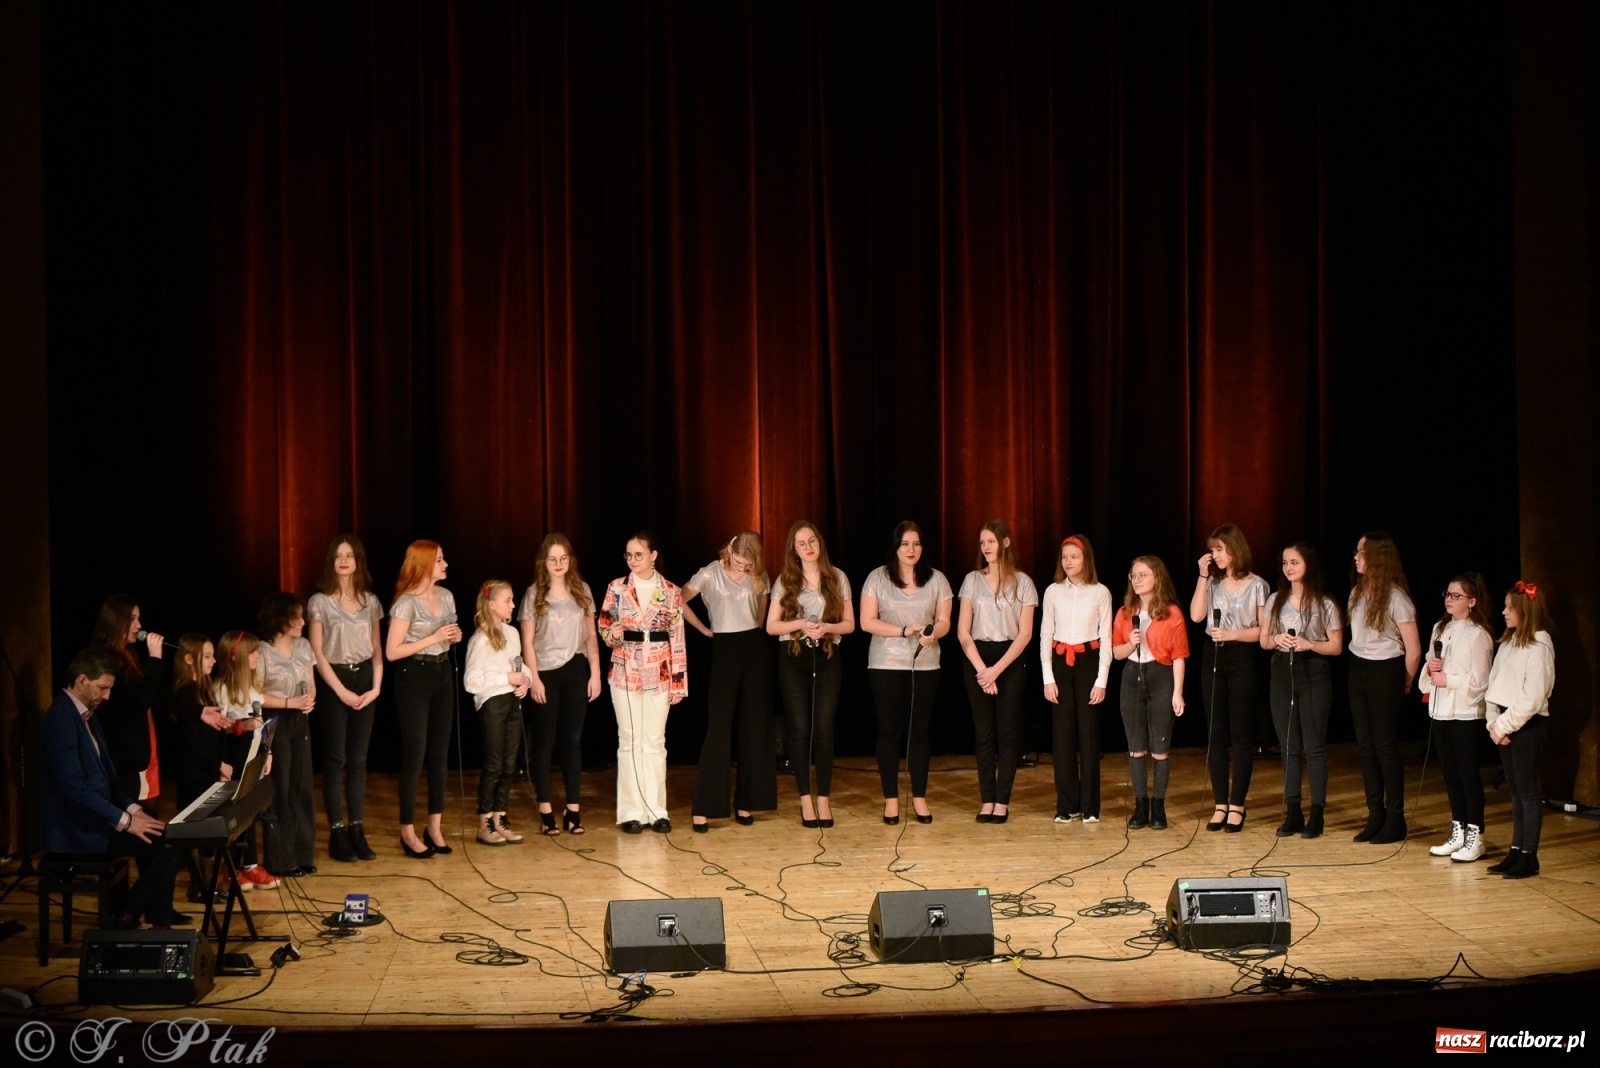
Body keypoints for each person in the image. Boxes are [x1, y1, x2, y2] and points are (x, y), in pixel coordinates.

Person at [40, 648, 186, 928]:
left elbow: (108, 780)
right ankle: (135, 916)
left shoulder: (88, 714)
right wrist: (125, 821)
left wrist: (134, 809)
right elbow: (74, 789)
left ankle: (145, 919)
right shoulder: (60, 719)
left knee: (173, 838)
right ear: (82, 680)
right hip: (77, 829)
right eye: (102, 688)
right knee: (168, 846)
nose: (107, 696)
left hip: (98, 819)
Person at [681, 532, 777, 831]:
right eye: (739, 561)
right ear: (730, 551)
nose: (743, 568)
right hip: (724, 647)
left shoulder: (759, 574)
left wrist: (755, 631)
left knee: (754, 725)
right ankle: (706, 806)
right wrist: (703, 629)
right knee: (719, 726)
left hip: (753, 647)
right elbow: (677, 600)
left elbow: (762, 607)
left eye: (748, 564)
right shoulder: (710, 573)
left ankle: (747, 801)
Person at [859, 521, 952, 825]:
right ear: (895, 547)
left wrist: (933, 632)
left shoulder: (937, 579)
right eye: (905, 544)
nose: (911, 550)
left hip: (925, 664)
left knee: (919, 733)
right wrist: (902, 630)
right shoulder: (877, 577)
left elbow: (944, 621)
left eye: (916, 544)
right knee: (889, 732)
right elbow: (867, 622)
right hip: (885, 664)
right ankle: (891, 799)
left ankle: (920, 798)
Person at [767, 521, 855, 828]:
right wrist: (801, 624)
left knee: (824, 728)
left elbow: (850, 624)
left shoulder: (837, 577)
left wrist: (827, 627)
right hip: (793, 656)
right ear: (794, 549)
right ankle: (805, 799)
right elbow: (772, 626)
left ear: (820, 543)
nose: (808, 547)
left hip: (827, 653)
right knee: (800, 727)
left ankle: (824, 800)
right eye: (801, 543)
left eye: (812, 541)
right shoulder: (785, 580)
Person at [598, 532, 687, 834]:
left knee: (654, 741)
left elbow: (677, 636)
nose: (633, 560)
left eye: (639, 554)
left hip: (659, 669)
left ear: (653, 555)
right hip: (625, 667)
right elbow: (604, 625)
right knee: (629, 739)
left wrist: (679, 682)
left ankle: (656, 810)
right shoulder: (617, 587)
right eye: (629, 555)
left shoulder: (671, 591)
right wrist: (612, 634)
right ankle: (631, 812)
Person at [517, 533, 601, 835]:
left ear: (570, 560)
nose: (558, 564)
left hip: (575, 669)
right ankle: (545, 810)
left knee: (572, 740)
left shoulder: (582, 590)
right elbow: (527, 641)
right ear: (544, 561)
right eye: (552, 559)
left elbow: (591, 636)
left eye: (563, 558)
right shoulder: (534, 594)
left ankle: (573, 809)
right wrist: (534, 678)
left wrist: (595, 673)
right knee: (544, 741)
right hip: (545, 672)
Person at [307, 534, 384, 862]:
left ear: (358, 561)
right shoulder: (320, 602)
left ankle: (357, 828)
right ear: (331, 561)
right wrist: (340, 691)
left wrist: (375, 688)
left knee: (358, 760)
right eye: (338, 555)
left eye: (349, 555)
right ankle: (337, 831)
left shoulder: (371, 602)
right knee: (336, 759)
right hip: (333, 680)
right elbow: (316, 652)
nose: (344, 561)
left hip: (364, 678)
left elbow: (377, 650)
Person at [1258, 544, 1343, 839]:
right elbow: (1264, 640)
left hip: (1313, 670)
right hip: (1283, 670)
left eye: (1294, 562)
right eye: (1285, 563)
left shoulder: (1325, 603)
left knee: (1314, 746)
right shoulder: (1275, 600)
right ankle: (1293, 811)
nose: (1288, 568)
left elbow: (1336, 646)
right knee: (1288, 746)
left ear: (1308, 563)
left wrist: (1309, 644)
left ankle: (1317, 813)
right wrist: (1277, 638)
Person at [1189, 523, 1269, 833]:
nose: (1215, 555)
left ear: (1235, 549)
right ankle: (1220, 803)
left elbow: (1263, 631)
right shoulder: (1212, 583)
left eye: (1220, 549)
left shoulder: (1258, 585)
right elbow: (1197, 616)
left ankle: (1237, 805)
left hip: (1243, 656)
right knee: (1216, 733)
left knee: (1240, 732)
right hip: (1214, 655)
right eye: (1212, 550)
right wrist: (1202, 577)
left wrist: (1233, 634)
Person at [957, 519, 1037, 825]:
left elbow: (1025, 634)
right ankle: (987, 799)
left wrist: (997, 671)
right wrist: (983, 671)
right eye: (982, 542)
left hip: (1010, 660)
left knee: (1007, 732)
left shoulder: (1023, 582)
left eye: (991, 541)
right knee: (984, 734)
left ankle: (1002, 800)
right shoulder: (971, 580)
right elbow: (963, 632)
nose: (986, 547)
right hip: (978, 658)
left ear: (1005, 542)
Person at [387, 540, 464, 858]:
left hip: (441, 673)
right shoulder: (406, 603)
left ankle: (434, 826)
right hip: (413, 677)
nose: (445, 565)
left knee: (439, 755)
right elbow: (392, 651)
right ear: (423, 563)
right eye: (440, 560)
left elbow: (449, 634)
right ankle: (407, 831)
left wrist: (453, 637)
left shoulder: (446, 596)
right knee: (415, 754)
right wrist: (433, 637)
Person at [1346, 531, 1422, 843]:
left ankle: (1396, 819)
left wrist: (1405, 682)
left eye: (1362, 552)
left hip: (1386, 671)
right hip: (1359, 669)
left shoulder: (1396, 598)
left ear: (1377, 558)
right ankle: (1375, 814)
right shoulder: (1357, 592)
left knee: (1385, 747)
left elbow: (1414, 649)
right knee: (1366, 747)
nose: (1356, 558)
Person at [1418, 572, 1495, 862]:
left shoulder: (1479, 635)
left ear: (1472, 601)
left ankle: (1476, 836)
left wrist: (1448, 679)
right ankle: (1459, 831)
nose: (1449, 600)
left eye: (1456, 596)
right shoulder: (1441, 628)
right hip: (1441, 711)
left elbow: (1480, 682)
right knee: (1450, 773)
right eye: (1447, 594)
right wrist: (1431, 669)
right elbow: (1430, 665)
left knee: (1467, 774)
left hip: (1466, 714)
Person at [1110, 556, 1189, 830]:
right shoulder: (1125, 613)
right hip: (1132, 676)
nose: (1137, 580)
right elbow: (1116, 653)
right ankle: (1140, 805)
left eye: (1143, 575)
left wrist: (1177, 693)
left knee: (1160, 749)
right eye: (1134, 575)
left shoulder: (1172, 613)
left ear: (1157, 577)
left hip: (1161, 676)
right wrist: (1130, 644)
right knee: (1136, 748)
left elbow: (1179, 655)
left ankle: (1159, 807)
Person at [1038, 534, 1112, 825]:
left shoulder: (1100, 592)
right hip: (1060, 661)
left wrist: (1101, 680)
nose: (1068, 562)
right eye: (1064, 557)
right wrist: (1048, 677)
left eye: (1074, 557)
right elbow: (1046, 633)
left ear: (1085, 559)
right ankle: (1066, 805)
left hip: (1088, 661)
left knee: (1089, 735)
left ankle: (1090, 805)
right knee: (1063, 736)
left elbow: (1106, 637)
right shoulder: (1053, 591)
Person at [1484, 581, 1554, 879]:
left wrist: (1503, 725)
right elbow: (1494, 683)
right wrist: (1493, 721)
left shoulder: (1539, 645)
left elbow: (1532, 697)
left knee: (1527, 790)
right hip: (1504, 723)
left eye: (1510, 608)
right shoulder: (1509, 642)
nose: (1504, 612)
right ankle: (1516, 849)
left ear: (1525, 611)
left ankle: (1529, 855)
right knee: (1514, 790)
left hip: (1526, 724)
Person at [464, 580, 533, 844]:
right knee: (494, 764)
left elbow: (520, 666)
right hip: (492, 704)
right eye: (508, 600)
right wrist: (507, 678)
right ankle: (484, 823)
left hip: (512, 703)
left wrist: (525, 680)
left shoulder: (512, 634)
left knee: (509, 765)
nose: (513, 605)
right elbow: (471, 681)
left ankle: (500, 817)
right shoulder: (480, 639)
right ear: (491, 604)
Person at [165, 634, 231, 903]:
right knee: (197, 830)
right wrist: (218, 765)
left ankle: (208, 884)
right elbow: (194, 742)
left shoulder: (204, 688)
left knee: (209, 831)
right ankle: (200, 886)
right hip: (195, 773)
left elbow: (216, 733)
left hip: (209, 770)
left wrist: (222, 763)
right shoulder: (185, 693)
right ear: (189, 659)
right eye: (207, 656)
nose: (213, 661)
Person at [257, 592, 318, 877]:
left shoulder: (303, 646)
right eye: (295, 618)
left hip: (299, 721)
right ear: (280, 620)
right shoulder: (262, 652)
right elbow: (256, 694)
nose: (302, 622)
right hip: (275, 720)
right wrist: (288, 702)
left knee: (301, 786)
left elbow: (311, 682)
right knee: (280, 789)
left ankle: (303, 853)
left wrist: (308, 700)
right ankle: (280, 859)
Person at [87, 596, 168, 812]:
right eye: (132, 619)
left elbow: (151, 694)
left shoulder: (127, 654)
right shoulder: (106, 659)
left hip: (130, 761)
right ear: (116, 621)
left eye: (138, 618)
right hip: (117, 759)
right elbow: (140, 701)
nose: (139, 625)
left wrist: (199, 711)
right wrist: (156, 659)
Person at [211, 631, 275, 890]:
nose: (258, 656)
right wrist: (242, 726)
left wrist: (268, 752)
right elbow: (218, 728)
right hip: (233, 754)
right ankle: (229, 867)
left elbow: (261, 724)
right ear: (236, 656)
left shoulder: (253, 685)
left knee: (250, 810)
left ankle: (250, 865)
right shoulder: (222, 689)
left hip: (253, 753)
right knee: (233, 812)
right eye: (253, 652)